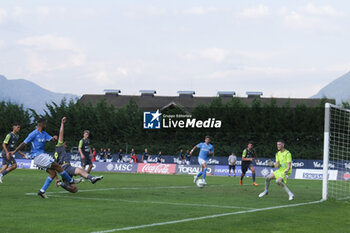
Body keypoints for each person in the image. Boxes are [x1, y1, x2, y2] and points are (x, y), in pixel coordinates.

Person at [10, 118, 80, 198]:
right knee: (57, 166)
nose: (46, 125)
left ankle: (42, 191)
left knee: (53, 174)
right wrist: (15, 151)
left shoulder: (44, 133)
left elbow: (52, 140)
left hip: (41, 157)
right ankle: (71, 180)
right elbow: (24, 143)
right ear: (41, 124)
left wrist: (54, 138)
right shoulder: (33, 133)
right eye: (45, 124)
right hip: (37, 156)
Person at [54, 117, 103, 193]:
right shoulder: (60, 146)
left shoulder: (55, 153)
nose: (66, 146)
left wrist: (56, 179)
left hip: (62, 171)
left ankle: (62, 184)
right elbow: (61, 134)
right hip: (66, 167)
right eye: (65, 144)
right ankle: (91, 178)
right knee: (80, 170)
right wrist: (62, 124)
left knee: (74, 189)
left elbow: (54, 167)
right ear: (62, 143)